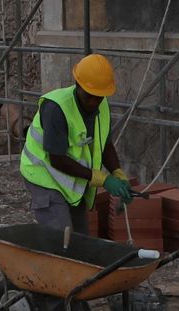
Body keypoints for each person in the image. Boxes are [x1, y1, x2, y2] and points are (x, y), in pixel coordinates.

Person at [19, 53, 134, 234]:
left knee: (80, 239)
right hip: (43, 173)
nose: (94, 102)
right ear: (78, 85)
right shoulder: (56, 108)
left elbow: (105, 144)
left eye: (99, 96)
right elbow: (56, 159)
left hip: (71, 177)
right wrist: (102, 179)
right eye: (90, 96)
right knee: (61, 235)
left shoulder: (101, 106)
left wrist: (117, 173)